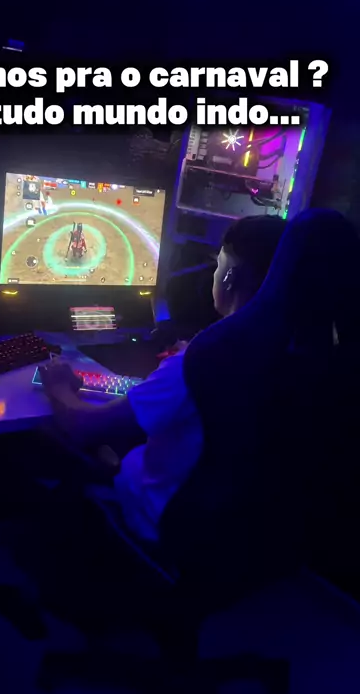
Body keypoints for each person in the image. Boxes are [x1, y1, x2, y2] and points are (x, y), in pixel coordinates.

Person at [39, 215, 287, 542]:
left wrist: (58, 385)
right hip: (241, 534)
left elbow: (82, 426)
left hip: (162, 522)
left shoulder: (199, 363)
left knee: (50, 435)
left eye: (218, 265)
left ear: (229, 277)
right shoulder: (294, 355)